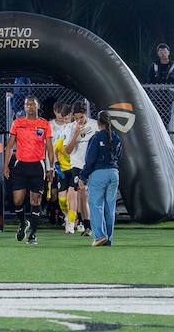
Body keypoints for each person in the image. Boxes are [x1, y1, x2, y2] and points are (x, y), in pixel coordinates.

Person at [3, 95, 54, 245]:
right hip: (20, 165)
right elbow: (10, 145)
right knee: (17, 200)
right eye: (27, 105)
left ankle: (33, 234)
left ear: (38, 106)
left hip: (37, 166)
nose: (30, 107)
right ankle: (23, 222)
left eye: (32, 104)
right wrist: (5, 164)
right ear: (24, 107)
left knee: (35, 199)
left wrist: (51, 167)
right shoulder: (17, 123)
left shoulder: (44, 124)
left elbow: (50, 148)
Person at [79, 110, 123, 247]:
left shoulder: (96, 138)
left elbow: (90, 159)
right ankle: (108, 238)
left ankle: (99, 236)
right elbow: (119, 155)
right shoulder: (116, 138)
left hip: (99, 174)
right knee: (110, 206)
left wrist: (83, 177)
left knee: (96, 204)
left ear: (98, 123)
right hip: (114, 173)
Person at [64, 101, 99, 237]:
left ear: (85, 114)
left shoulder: (95, 125)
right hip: (78, 165)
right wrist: (75, 134)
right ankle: (87, 226)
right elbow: (67, 150)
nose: (79, 120)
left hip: (94, 165)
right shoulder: (70, 128)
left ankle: (99, 224)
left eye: (81, 118)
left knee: (94, 196)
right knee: (82, 193)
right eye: (76, 118)